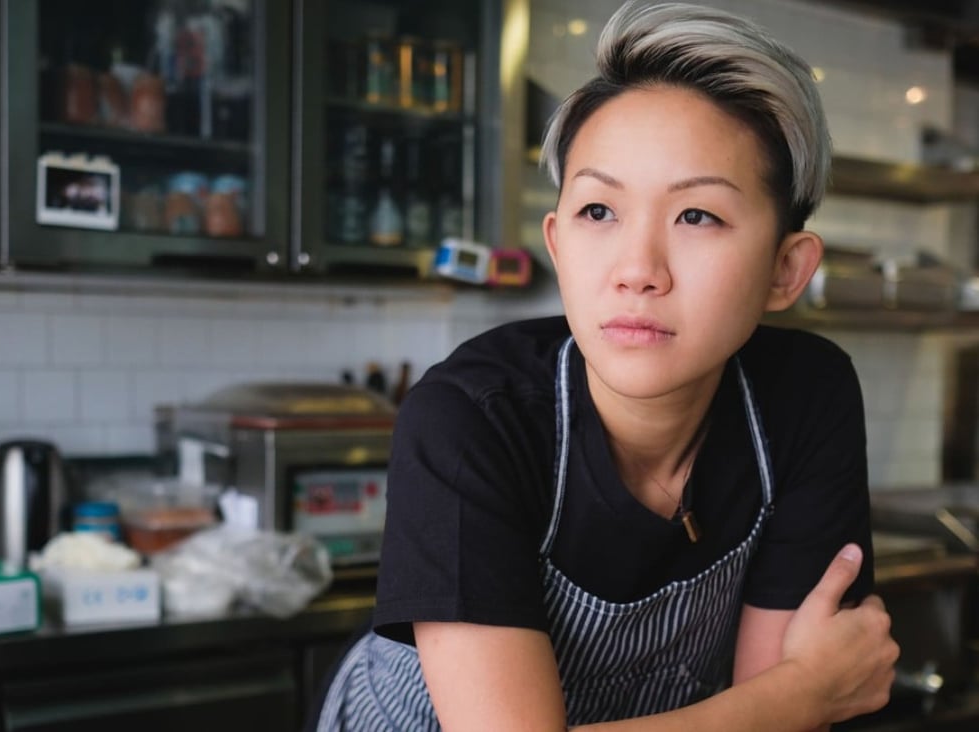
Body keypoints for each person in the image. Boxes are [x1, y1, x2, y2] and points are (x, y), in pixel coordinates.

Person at [313, 1, 899, 730]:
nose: (637, 270)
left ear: (786, 269)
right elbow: (779, 704)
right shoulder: (470, 418)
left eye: (697, 216)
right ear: (557, 243)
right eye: (599, 211)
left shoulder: (803, 397)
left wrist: (783, 703)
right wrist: (804, 695)